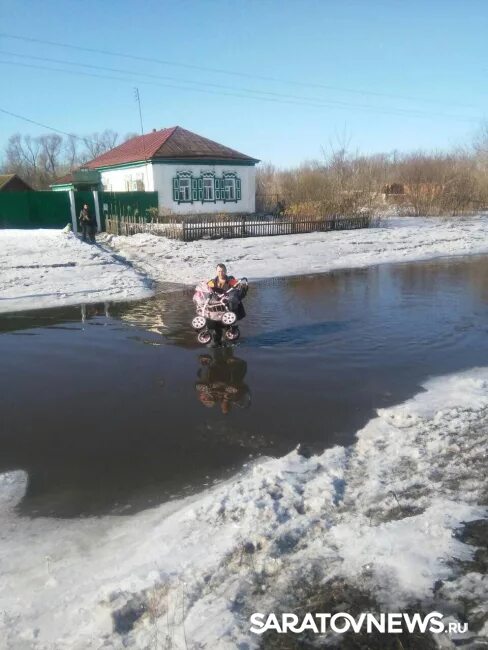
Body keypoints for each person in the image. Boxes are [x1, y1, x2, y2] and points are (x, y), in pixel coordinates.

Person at [206, 263, 246, 346]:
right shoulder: (212, 282)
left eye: (223, 271)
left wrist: (243, 288)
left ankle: (230, 347)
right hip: (216, 311)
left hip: (228, 310)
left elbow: (239, 292)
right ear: (216, 271)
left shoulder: (231, 281)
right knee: (216, 332)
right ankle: (217, 345)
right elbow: (205, 290)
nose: (221, 273)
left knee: (228, 331)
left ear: (226, 271)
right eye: (219, 271)